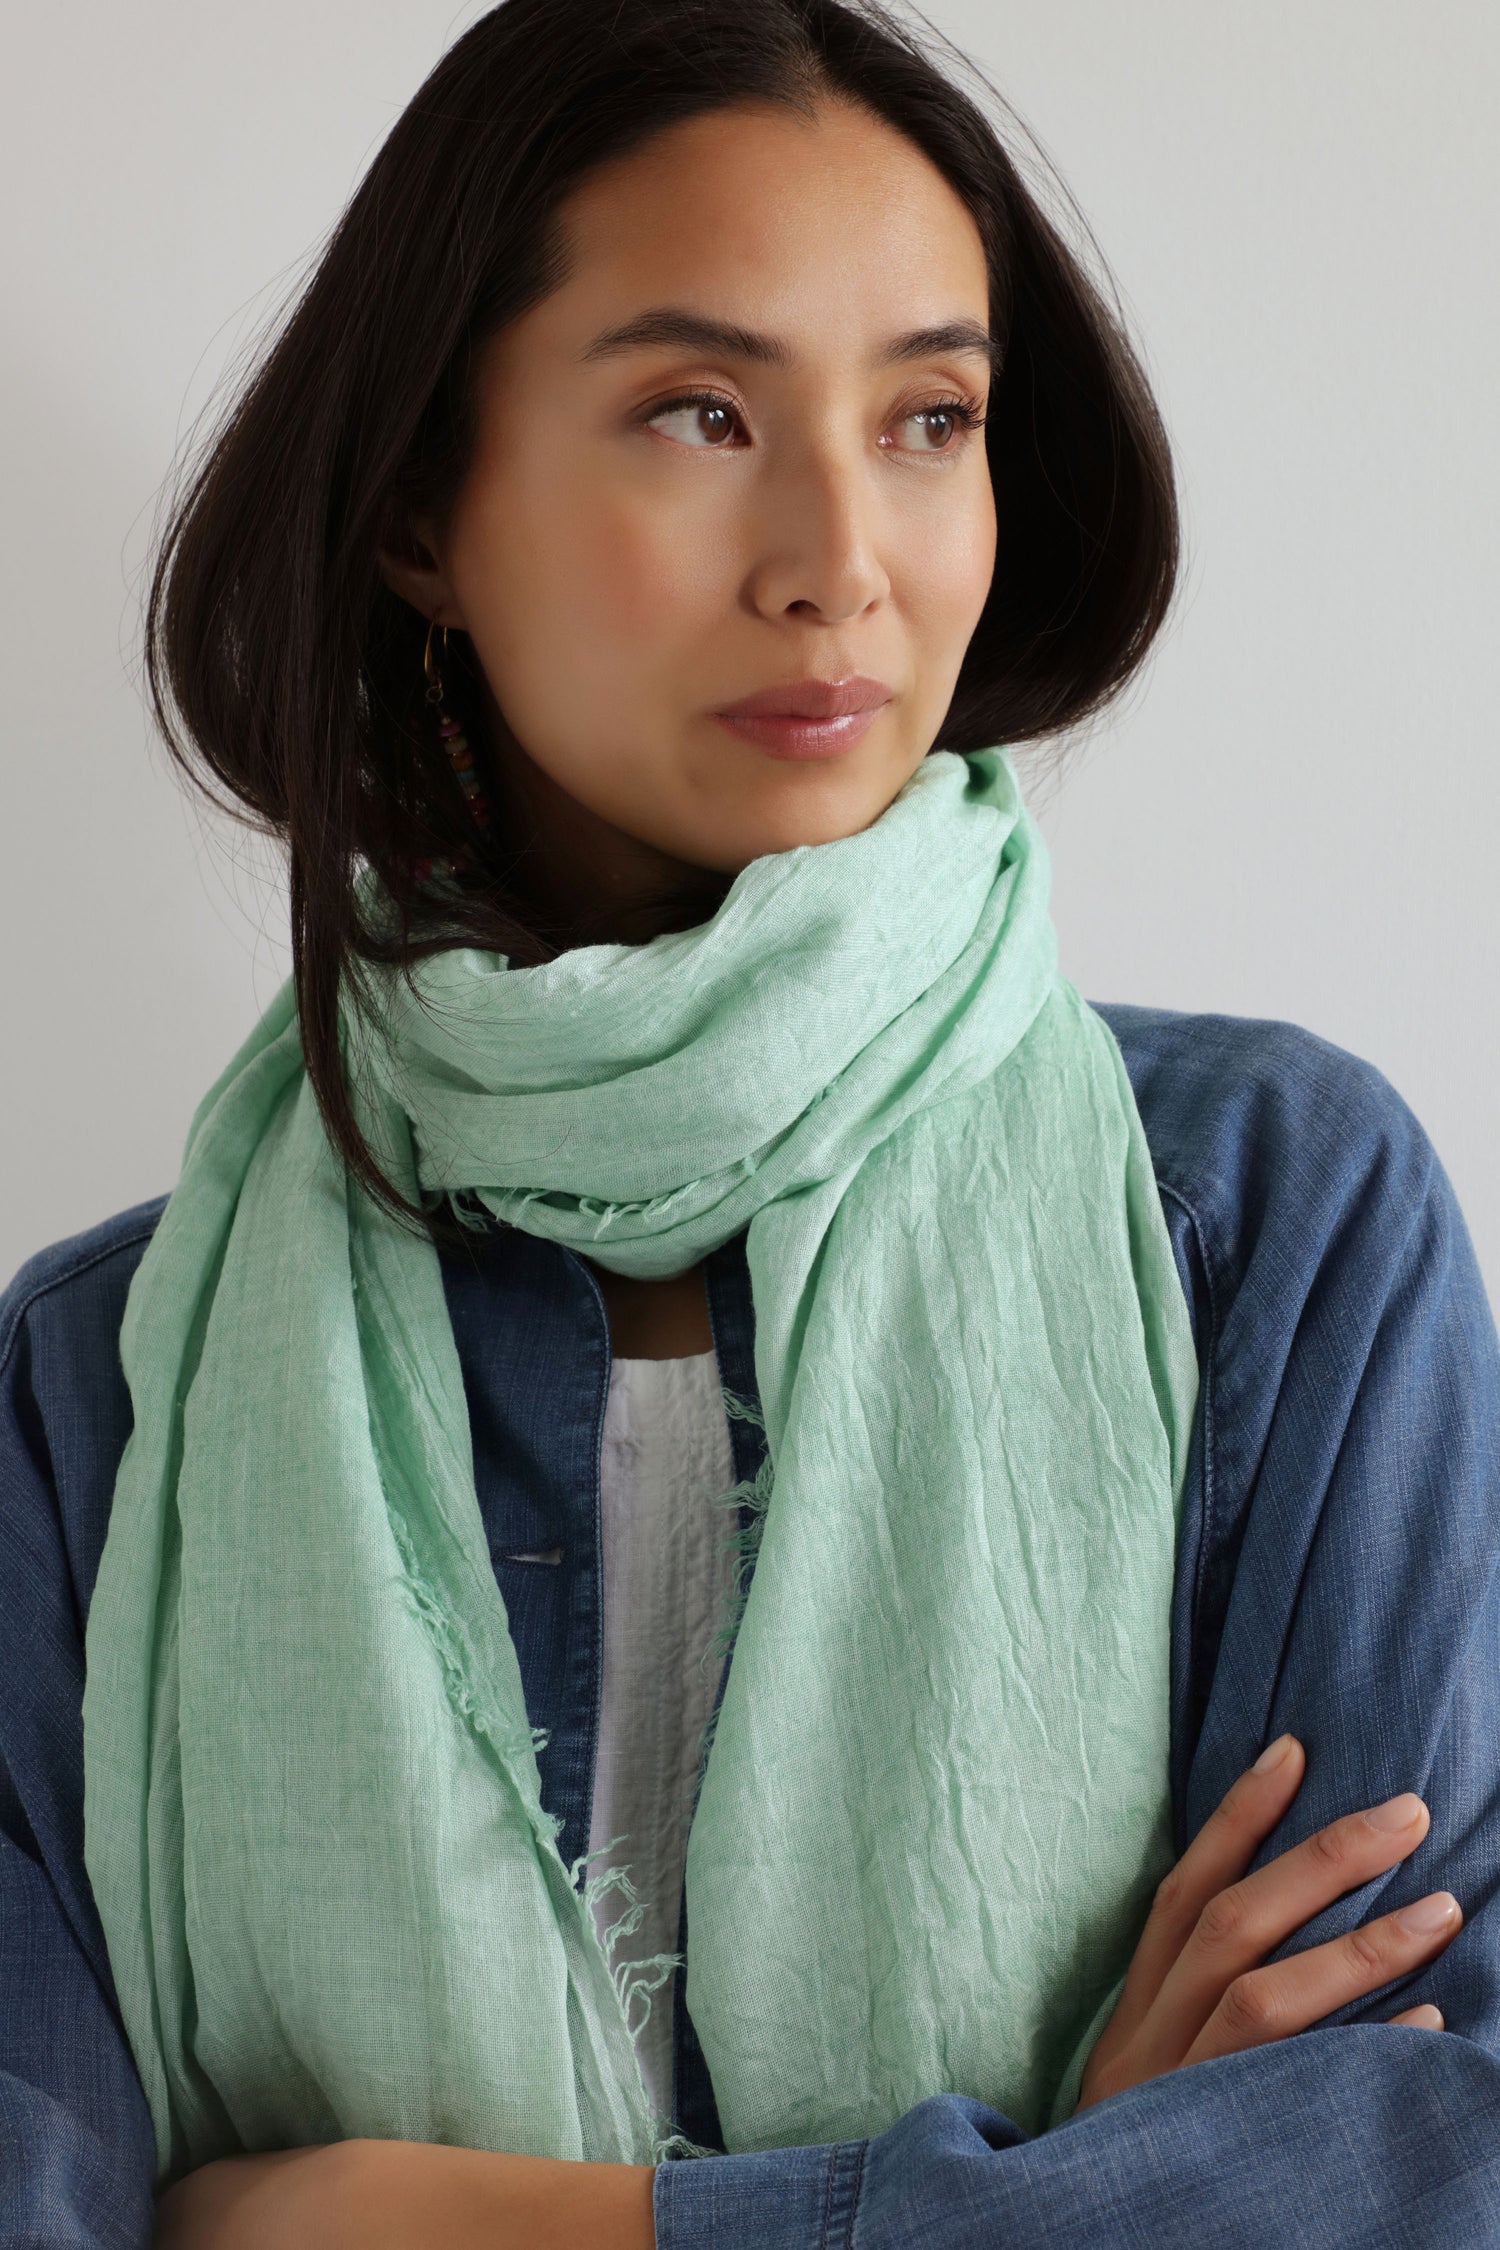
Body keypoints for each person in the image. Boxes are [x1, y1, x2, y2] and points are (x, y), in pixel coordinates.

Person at [3, 2, 1498, 2244]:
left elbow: (1419, 2148)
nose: (840, 556)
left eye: (928, 416)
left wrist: (346, 2215)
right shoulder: (103, 1384)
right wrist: (1064, 2190)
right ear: (425, 503)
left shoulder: (1257, 1222)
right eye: (702, 411)